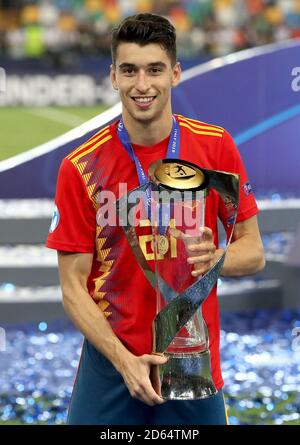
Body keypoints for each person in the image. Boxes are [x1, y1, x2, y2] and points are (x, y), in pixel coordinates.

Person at [46, 13, 265, 425]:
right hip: (109, 365)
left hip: (190, 361)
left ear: (176, 74)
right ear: (113, 76)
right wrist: (123, 360)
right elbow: (72, 285)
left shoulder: (215, 149)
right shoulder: (80, 166)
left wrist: (218, 259)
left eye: (154, 70)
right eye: (129, 70)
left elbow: (253, 251)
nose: (142, 85)